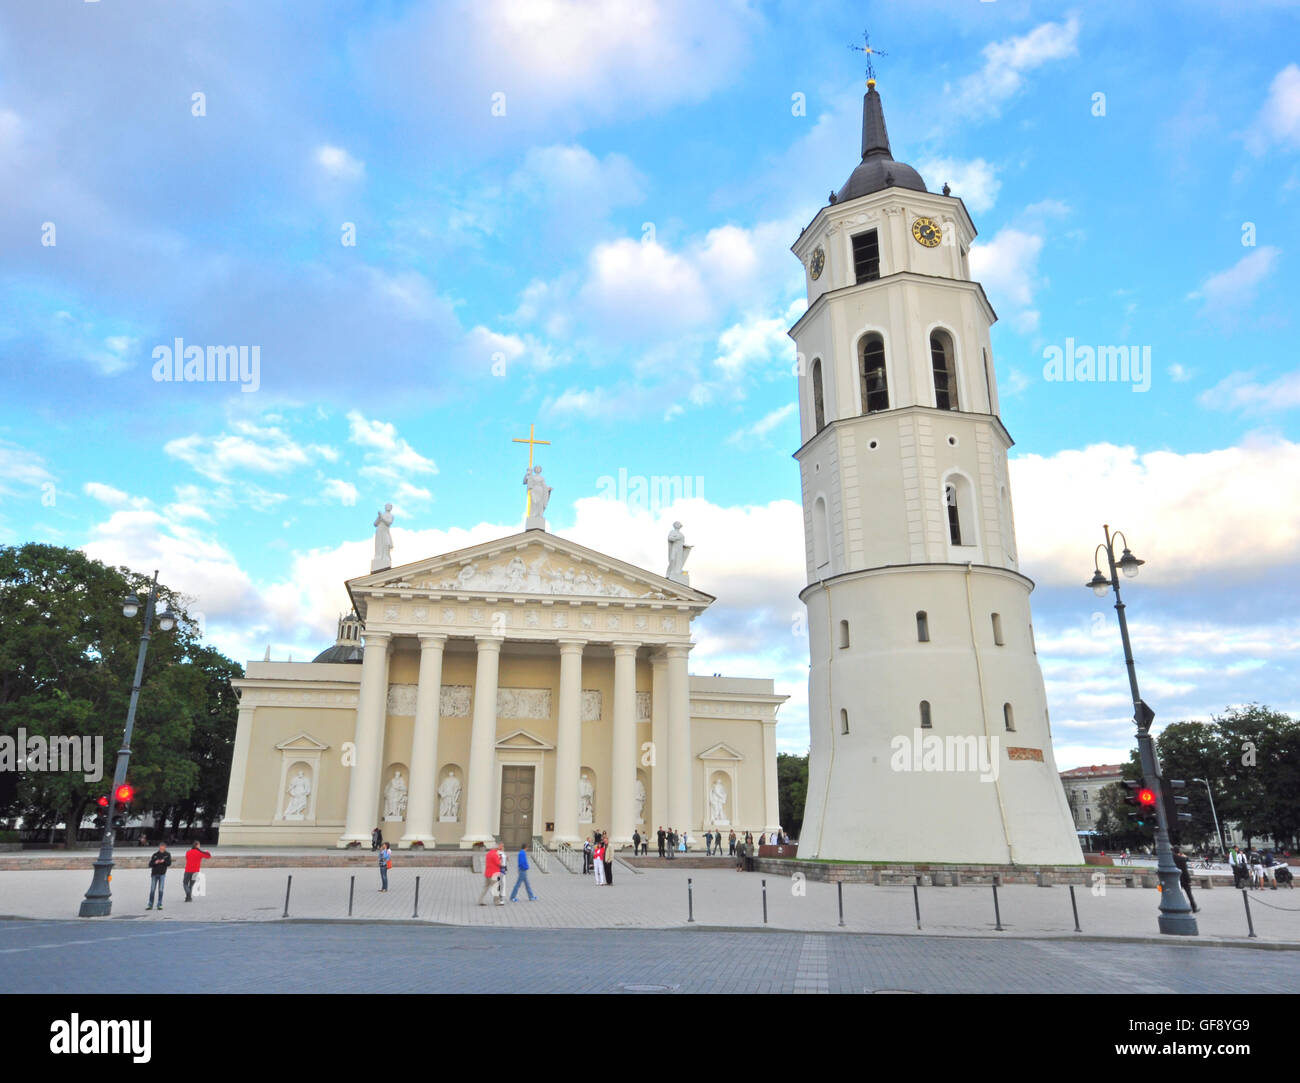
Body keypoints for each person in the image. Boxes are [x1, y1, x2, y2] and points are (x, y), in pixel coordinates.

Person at [1171, 846, 1199, 913]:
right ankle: (1194, 907)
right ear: (1179, 851)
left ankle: (1177, 907)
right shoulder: (1181, 859)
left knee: (1176, 894)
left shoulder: (1171, 859)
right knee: (1189, 894)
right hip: (1184, 879)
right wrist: (1188, 880)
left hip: (1176, 879)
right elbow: (1185, 870)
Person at [146, 842, 171, 910]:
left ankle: (159, 904)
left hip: (162, 874)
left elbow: (169, 863)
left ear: (165, 847)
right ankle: (150, 904)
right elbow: (150, 864)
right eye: (161, 847)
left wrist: (164, 862)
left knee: (161, 890)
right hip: (154, 874)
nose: (162, 848)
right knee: (152, 890)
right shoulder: (155, 855)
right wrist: (155, 862)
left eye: (163, 847)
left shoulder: (167, 855)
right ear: (159, 847)